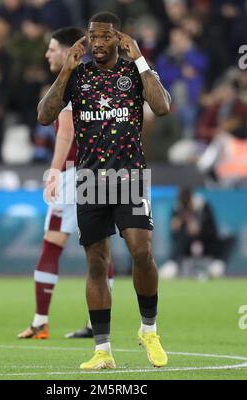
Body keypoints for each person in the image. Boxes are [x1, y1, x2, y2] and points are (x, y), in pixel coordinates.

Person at [37, 12, 171, 369]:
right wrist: (65, 70)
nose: (98, 43)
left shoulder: (134, 73)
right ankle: (103, 350)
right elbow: (44, 115)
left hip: (130, 177)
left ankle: (149, 329)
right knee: (97, 263)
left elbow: (162, 107)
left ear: (119, 39)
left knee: (141, 252)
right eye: (93, 37)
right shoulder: (77, 77)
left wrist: (141, 58)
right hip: (90, 180)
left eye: (105, 37)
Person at [18, 26, 115, 340]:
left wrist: (55, 171)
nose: (47, 54)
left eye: (52, 48)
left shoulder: (72, 80)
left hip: (76, 173)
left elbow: (66, 131)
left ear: (68, 49)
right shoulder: (99, 78)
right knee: (100, 249)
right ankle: (97, 324)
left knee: (52, 243)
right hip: (103, 172)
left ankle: (39, 322)